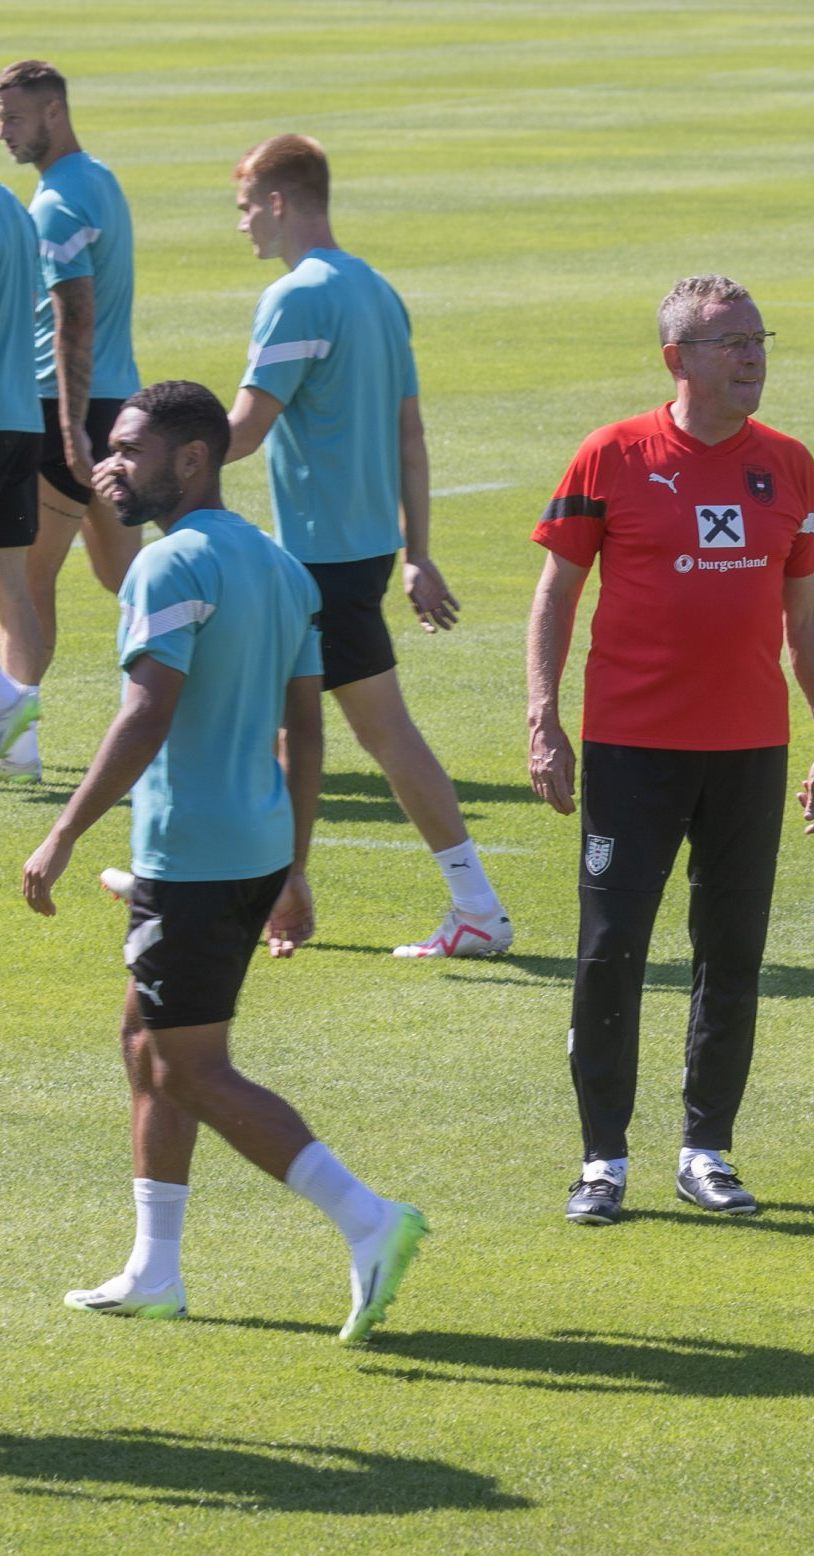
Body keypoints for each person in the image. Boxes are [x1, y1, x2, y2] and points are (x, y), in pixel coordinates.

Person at [21, 380, 426, 1338]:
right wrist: (294, 868)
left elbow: (145, 714)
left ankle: (368, 1218)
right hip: (251, 851)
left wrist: (63, 833)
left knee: (192, 1070)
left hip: (193, 858)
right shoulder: (281, 568)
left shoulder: (167, 568)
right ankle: (153, 1269)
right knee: (145, 1046)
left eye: (130, 449)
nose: (111, 465)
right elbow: (304, 732)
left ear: (193, 459)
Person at [528, 273, 814, 1224]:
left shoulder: (789, 464)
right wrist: (544, 718)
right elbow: (557, 593)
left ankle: (707, 1150)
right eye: (732, 342)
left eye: (759, 340)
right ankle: (602, 1161)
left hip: (748, 751)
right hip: (631, 749)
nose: (753, 357)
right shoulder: (612, 455)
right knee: (611, 951)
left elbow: (807, 612)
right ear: (679, 359)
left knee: (731, 952)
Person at [224, 133, 510, 957]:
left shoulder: (296, 298)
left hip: (319, 560)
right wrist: (416, 552)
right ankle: (260, 891)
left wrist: (151, 458)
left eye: (246, 208)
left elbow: (243, 431)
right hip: (360, 553)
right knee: (273, 721)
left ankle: (471, 905)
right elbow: (409, 435)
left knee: (369, 731)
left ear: (279, 201)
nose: (242, 225)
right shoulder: (377, 292)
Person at [0, 58, 141, 782]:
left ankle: (14, 742)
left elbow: (75, 316)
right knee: (132, 581)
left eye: (14, 118)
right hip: (115, 409)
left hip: (65, 411)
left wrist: (70, 429)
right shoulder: (100, 180)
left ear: (53, 111)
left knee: (26, 582)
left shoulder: (56, 203)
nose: (4, 133)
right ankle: (212, 705)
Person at [0, 176, 44, 778]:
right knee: (12, 586)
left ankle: (8, 706)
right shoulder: (16, 209)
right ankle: (19, 750)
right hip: (21, 416)